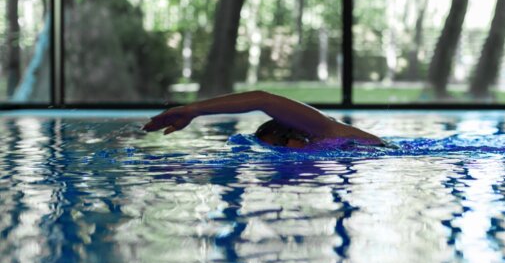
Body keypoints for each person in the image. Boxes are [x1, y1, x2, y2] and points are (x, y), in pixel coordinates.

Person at [142, 90, 389, 149]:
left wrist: (194, 110)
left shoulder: (328, 132)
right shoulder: (321, 148)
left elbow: (262, 100)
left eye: (281, 145)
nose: (285, 152)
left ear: (298, 134)